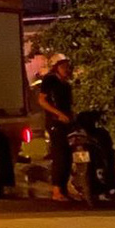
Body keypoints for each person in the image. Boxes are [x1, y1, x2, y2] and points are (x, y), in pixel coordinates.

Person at [33, 53, 76, 201]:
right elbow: (42, 100)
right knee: (60, 155)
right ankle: (56, 191)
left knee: (68, 156)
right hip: (55, 122)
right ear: (56, 67)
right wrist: (58, 114)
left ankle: (64, 189)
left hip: (66, 122)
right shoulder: (50, 80)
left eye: (67, 66)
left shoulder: (65, 83)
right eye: (63, 66)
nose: (66, 69)